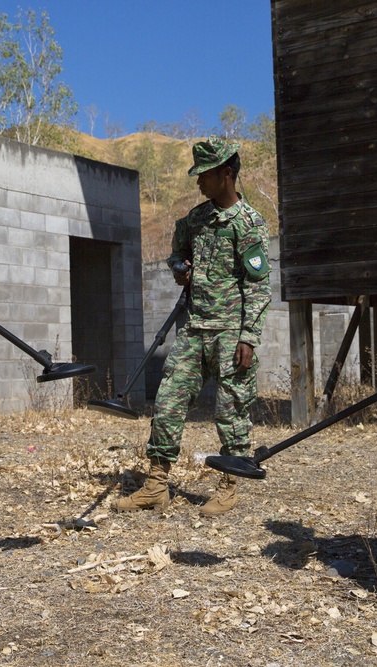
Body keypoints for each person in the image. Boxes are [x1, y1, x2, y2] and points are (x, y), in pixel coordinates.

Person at [114, 136, 271, 516]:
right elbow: (176, 254)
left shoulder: (249, 223)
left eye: (205, 174)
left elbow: (258, 285)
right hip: (195, 327)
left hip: (230, 331)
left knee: (231, 410)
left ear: (227, 174)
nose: (198, 181)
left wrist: (249, 336)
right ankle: (156, 484)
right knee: (167, 401)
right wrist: (179, 269)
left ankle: (229, 485)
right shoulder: (196, 220)